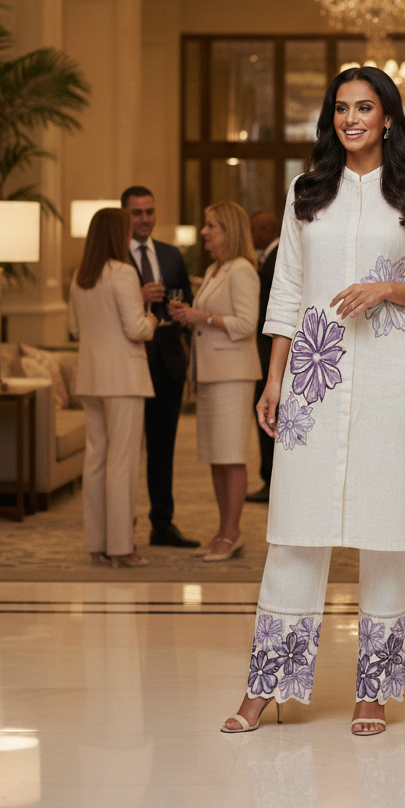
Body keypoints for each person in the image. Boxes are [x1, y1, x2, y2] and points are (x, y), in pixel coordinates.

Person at [220, 65, 405, 737]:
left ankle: (372, 692)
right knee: (295, 532)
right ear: (332, 118)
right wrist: (272, 378)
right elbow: (287, 291)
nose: (352, 117)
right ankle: (265, 686)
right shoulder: (306, 193)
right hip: (312, 387)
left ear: (387, 117)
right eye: (342, 108)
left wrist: (388, 289)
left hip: (389, 377)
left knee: (385, 535)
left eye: (365, 106)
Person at [170, 201, 261, 562]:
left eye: (211, 226)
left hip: (233, 375)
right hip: (210, 373)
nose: (204, 232)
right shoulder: (214, 269)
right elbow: (210, 316)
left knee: (231, 455)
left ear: (229, 231)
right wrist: (189, 316)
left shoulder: (242, 270)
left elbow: (245, 324)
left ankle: (231, 532)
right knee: (215, 456)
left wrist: (200, 316)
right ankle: (223, 529)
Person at [68, 207, 156, 569]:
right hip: (123, 378)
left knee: (97, 461)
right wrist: (152, 318)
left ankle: (97, 543)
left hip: (90, 377)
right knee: (122, 463)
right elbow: (137, 329)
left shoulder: (79, 276)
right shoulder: (122, 273)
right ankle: (121, 547)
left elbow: (74, 329)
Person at [121, 185, 199, 549]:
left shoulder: (170, 254)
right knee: (124, 449)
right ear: (125, 214)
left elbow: (184, 297)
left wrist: (176, 312)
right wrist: (138, 298)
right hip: (129, 362)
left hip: (167, 362)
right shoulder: (112, 255)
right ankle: (121, 523)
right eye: (137, 213)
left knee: (162, 448)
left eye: (149, 212)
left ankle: (162, 524)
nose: (144, 219)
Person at [245, 210, 281, 504]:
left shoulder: (278, 256)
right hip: (266, 348)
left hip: (270, 349)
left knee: (270, 417)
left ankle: (272, 481)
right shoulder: (269, 256)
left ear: (266, 229)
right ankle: (269, 479)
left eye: (254, 228)